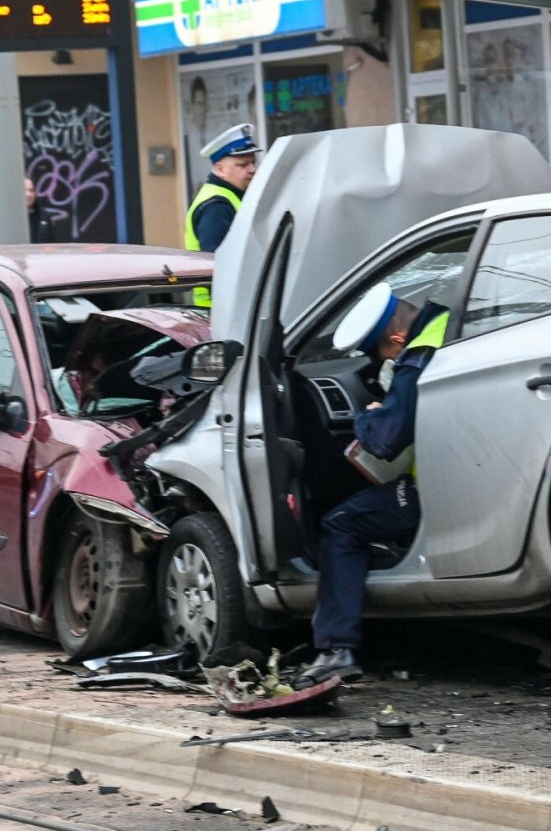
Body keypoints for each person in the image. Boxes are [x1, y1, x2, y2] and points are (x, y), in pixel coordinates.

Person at [295, 283, 449, 688]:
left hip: (434, 489)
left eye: (382, 354)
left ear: (396, 338)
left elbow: (385, 439)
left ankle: (336, 650)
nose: (385, 362)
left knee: (342, 524)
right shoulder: (450, 324)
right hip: (473, 474)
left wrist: (369, 414)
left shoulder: (416, 357)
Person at [184, 123, 260, 306]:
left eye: (253, 162)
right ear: (220, 169)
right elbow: (219, 266)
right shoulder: (216, 206)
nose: (252, 169)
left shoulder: (229, 196)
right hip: (220, 310)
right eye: (243, 165)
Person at [25, 177, 58, 243]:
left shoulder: (43, 216)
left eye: (31, 190)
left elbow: (52, 242)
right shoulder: (10, 218)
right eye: (24, 190)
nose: (28, 194)